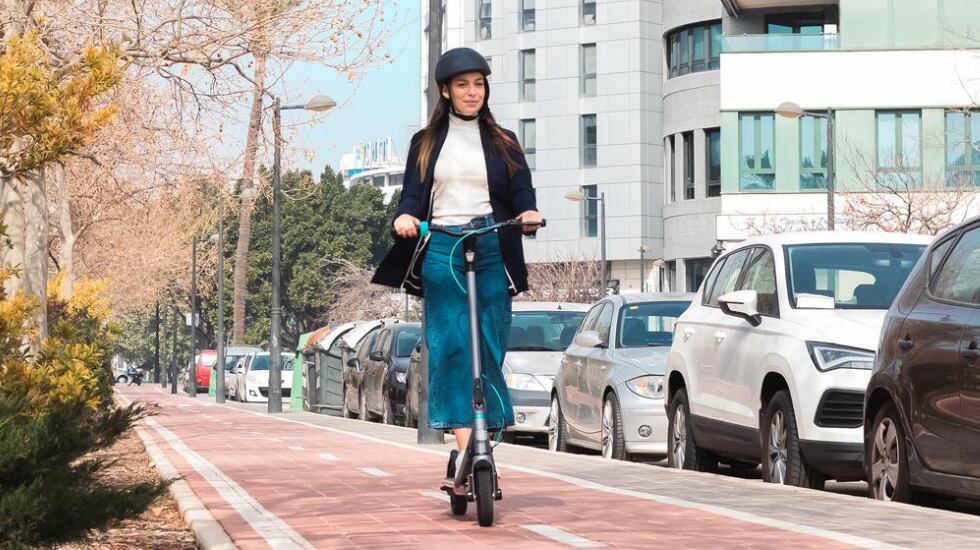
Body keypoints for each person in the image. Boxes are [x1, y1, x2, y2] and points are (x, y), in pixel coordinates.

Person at [372, 47, 541, 484]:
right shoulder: (426, 143)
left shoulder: (504, 140)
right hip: (444, 246)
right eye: (462, 85)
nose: (472, 92)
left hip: (492, 245)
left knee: (487, 346)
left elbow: (522, 190)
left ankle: (484, 439)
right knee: (449, 347)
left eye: (479, 84)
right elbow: (413, 194)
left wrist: (528, 213)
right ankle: (470, 449)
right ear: (445, 91)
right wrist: (404, 216)